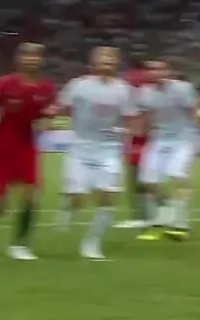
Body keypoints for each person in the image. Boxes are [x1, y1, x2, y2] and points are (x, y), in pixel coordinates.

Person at [0, 43, 56, 261]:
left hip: (28, 144)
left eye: (36, 56)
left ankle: (20, 245)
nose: (31, 59)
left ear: (42, 60)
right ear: (18, 59)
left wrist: (46, 123)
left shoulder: (47, 88)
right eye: (26, 55)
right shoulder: (4, 83)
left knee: (31, 195)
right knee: (1, 203)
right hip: (5, 145)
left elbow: (49, 114)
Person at [56, 46, 140, 260]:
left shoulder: (125, 90)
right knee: (77, 197)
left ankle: (92, 243)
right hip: (81, 147)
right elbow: (62, 108)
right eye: (102, 57)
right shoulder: (78, 85)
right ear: (93, 62)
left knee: (107, 196)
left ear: (117, 63)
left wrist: (125, 132)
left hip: (109, 149)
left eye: (111, 57)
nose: (107, 60)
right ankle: (69, 207)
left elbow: (131, 119)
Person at [133, 60, 200, 241]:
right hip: (159, 139)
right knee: (148, 182)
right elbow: (145, 116)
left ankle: (180, 224)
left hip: (183, 139)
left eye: (160, 69)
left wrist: (198, 138)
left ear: (168, 71)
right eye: (151, 69)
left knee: (178, 177)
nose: (156, 72)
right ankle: (164, 215)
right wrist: (140, 137)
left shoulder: (183, 88)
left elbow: (194, 111)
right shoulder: (145, 92)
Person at [114, 61, 153, 230]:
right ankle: (147, 215)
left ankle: (144, 217)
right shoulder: (144, 88)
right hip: (140, 140)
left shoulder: (138, 88)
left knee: (140, 179)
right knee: (141, 179)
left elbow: (140, 118)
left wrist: (130, 131)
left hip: (142, 141)